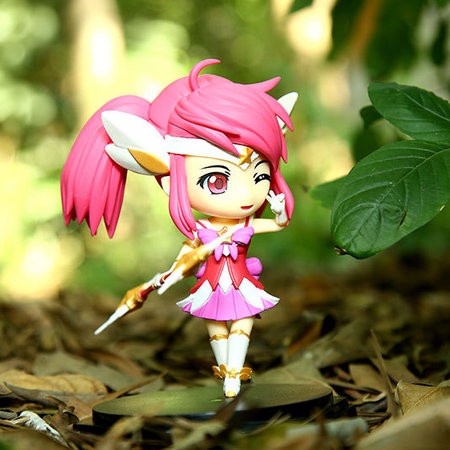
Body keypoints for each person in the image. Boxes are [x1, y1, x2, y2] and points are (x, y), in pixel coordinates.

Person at [61, 59, 297, 397]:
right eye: (217, 180)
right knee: (215, 327)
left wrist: (279, 211)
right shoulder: (201, 230)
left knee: (244, 321)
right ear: (172, 182)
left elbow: (278, 224)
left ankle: (234, 373)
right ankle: (226, 372)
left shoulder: (244, 223)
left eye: (259, 175)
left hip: (242, 282)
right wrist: (168, 276)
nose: (248, 193)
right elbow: (184, 260)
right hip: (212, 284)